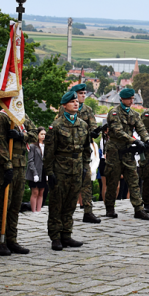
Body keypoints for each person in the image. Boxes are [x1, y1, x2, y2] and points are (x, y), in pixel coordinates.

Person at [0, 104, 38, 256]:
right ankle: (1, 241)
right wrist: (7, 165)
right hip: (6, 168)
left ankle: (12, 239)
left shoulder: (22, 118)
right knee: (3, 205)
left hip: (21, 166)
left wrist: (21, 136)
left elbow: (35, 134)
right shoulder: (2, 117)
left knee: (15, 205)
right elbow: (0, 145)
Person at [45, 91, 88, 250]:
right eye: (72, 102)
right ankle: (55, 237)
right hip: (60, 169)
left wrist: (85, 167)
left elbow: (86, 149)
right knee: (57, 204)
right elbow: (49, 152)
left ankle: (66, 234)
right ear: (64, 105)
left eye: (76, 101)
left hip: (76, 169)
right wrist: (49, 172)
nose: (76, 104)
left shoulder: (83, 125)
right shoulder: (56, 126)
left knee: (71, 203)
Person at [103, 88, 149, 219]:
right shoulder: (114, 113)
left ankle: (138, 209)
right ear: (122, 99)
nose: (131, 101)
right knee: (113, 182)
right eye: (129, 99)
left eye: (132, 98)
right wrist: (135, 141)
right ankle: (110, 207)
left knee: (134, 180)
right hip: (115, 152)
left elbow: (141, 128)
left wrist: (147, 140)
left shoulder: (134, 114)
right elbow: (117, 131)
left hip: (128, 152)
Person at [61, 83, 102, 223]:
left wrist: (94, 132)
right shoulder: (65, 110)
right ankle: (66, 213)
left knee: (86, 182)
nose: (83, 96)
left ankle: (88, 211)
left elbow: (93, 126)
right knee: (68, 185)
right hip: (69, 153)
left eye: (85, 93)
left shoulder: (88, 110)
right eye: (80, 94)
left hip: (84, 152)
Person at [26, 127, 46, 212]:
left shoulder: (46, 146)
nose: (43, 136)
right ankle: (33, 210)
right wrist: (34, 173)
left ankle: (39, 210)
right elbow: (30, 160)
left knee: (41, 192)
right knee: (35, 192)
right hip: (35, 171)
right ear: (37, 135)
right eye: (41, 134)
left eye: (44, 134)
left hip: (43, 172)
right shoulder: (33, 146)